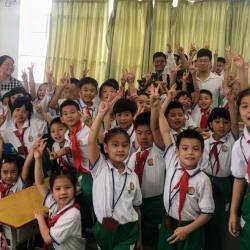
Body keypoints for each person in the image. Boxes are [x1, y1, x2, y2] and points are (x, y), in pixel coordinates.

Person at [88, 100, 142, 250]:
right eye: (115, 145)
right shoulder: (100, 167)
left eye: (125, 145)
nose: (120, 149)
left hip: (127, 230)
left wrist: (139, 239)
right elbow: (91, 140)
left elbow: (137, 208)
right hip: (104, 227)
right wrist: (100, 115)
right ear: (105, 148)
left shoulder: (132, 176)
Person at [157, 113, 215, 250]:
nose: (190, 152)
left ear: (201, 153)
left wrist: (187, 229)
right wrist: (158, 107)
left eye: (195, 149)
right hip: (169, 223)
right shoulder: (172, 161)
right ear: (177, 151)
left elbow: (207, 213)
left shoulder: (203, 179)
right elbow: (165, 131)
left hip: (191, 228)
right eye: (184, 148)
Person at [33, 138, 86, 250]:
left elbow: (47, 239)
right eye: (58, 189)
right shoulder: (54, 202)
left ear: (75, 189)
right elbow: (40, 183)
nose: (62, 192)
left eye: (67, 187)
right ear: (52, 191)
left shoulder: (72, 214)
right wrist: (38, 158)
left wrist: (40, 218)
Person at [200, 105, 238, 250]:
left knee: (218, 220)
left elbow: (235, 124)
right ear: (210, 124)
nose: (222, 125)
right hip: (205, 181)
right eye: (217, 122)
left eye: (226, 122)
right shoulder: (203, 142)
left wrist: (231, 101)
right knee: (202, 218)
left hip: (223, 184)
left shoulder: (232, 140)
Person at [128, 111, 165, 250]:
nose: (143, 137)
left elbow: (158, 129)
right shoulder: (133, 157)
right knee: (139, 234)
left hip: (155, 203)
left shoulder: (161, 151)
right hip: (136, 202)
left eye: (148, 133)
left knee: (154, 237)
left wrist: (157, 108)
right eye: (139, 132)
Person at [228, 88, 250, 250]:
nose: (249, 110)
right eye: (244, 106)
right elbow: (239, 178)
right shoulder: (240, 146)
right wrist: (234, 212)